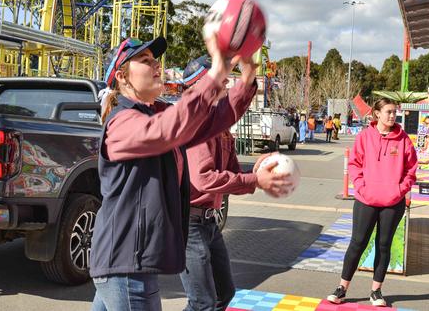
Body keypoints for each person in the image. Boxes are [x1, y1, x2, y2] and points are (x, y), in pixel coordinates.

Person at [90, 34, 256, 311]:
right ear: (121, 76)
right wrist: (214, 75)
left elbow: (213, 120)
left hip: (125, 263)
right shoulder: (123, 122)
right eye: (145, 60)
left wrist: (248, 78)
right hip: (126, 266)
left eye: (155, 60)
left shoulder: (156, 114)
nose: (156, 65)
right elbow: (169, 128)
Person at [179, 116, 291, 311]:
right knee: (202, 302)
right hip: (189, 224)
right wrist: (254, 179)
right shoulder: (201, 128)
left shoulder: (225, 135)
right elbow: (203, 179)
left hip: (209, 223)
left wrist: (255, 173)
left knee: (225, 293)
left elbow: (234, 178)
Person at [326, 98, 418, 307]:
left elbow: (411, 169)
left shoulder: (403, 139)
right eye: (388, 112)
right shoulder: (365, 136)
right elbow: (355, 164)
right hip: (365, 200)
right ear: (377, 114)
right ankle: (342, 288)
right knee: (357, 243)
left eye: (395, 112)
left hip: (392, 203)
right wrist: (361, 186)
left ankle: (376, 291)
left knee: (383, 246)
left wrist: (400, 189)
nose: (393, 116)